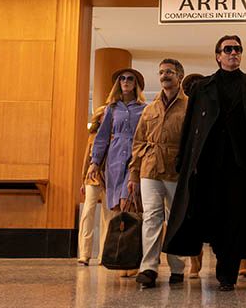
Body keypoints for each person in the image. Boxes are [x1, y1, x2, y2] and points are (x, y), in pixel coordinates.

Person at [164, 35, 246, 291]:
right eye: (228, 49)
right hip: (209, 165)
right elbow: (191, 127)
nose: (234, 53)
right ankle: (221, 260)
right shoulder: (202, 88)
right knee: (212, 216)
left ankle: (227, 274)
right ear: (218, 55)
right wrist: (183, 159)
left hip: (242, 166)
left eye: (237, 49)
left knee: (236, 218)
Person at [128, 59, 189, 288]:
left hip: (176, 170)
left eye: (169, 72)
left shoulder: (189, 107)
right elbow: (138, 141)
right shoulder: (150, 109)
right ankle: (149, 267)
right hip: (150, 168)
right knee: (152, 217)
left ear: (180, 76)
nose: (164, 76)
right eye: (161, 72)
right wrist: (133, 174)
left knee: (176, 219)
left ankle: (177, 267)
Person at [87, 67, 147, 276]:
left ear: (136, 84)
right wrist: (94, 162)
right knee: (117, 209)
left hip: (135, 159)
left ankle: (134, 260)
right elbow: (102, 137)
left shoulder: (144, 109)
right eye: (122, 78)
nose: (126, 81)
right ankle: (122, 255)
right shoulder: (112, 109)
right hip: (114, 161)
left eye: (130, 79)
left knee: (128, 202)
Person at [180, 72, 205, 279]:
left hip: (207, 167)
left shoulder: (209, 106)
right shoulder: (181, 108)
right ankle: (193, 260)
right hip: (186, 167)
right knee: (188, 215)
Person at [78, 105, 108, 266]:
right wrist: (83, 180)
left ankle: (104, 255)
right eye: (104, 114)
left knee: (108, 217)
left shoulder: (115, 135)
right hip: (93, 178)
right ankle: (84, 253)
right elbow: (86, 160)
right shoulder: (93, 136)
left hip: (110, 179)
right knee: (88, 214)